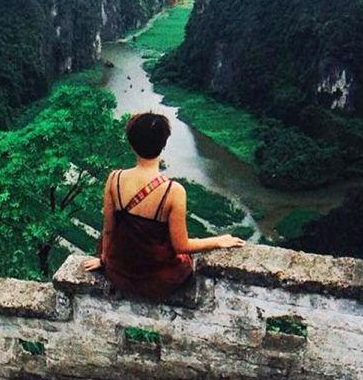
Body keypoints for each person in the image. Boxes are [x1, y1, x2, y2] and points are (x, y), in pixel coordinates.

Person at [82, 112, 245, 299]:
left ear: (131, 144)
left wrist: (104, 260)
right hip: (158, 279)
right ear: (164, 143)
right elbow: (181, 245)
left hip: (120, 273)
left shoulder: (115, 179)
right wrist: (217, 241)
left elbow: (108, 230)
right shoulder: (173, 191)